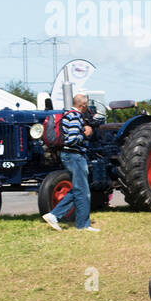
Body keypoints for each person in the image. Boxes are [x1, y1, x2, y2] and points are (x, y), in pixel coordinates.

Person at [42, 93, 100, 233]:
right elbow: (72, 139)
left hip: (70, 155)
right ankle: (76, 223)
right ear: (83, 105)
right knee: (83, 192)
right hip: (74, 156)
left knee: (79, 189)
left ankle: (60, 217)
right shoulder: (75, 116)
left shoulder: (68, 114)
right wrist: (85, 134)